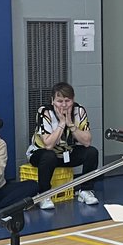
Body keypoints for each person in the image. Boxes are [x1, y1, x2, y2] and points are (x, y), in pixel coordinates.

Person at [25, 81, 99, 210]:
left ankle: (85, 191)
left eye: (67, 100)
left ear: (73, 99)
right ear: (52, 100)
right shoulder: (44, 112)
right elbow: (48, 144)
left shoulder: (79, 111)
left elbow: (87, 141)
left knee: (92, 152)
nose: (64, 105)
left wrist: (70, 123)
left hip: (66, 152)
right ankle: (44, 195)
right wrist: (62, 123)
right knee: (49, 155)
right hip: (41, 153)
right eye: (60, 101)